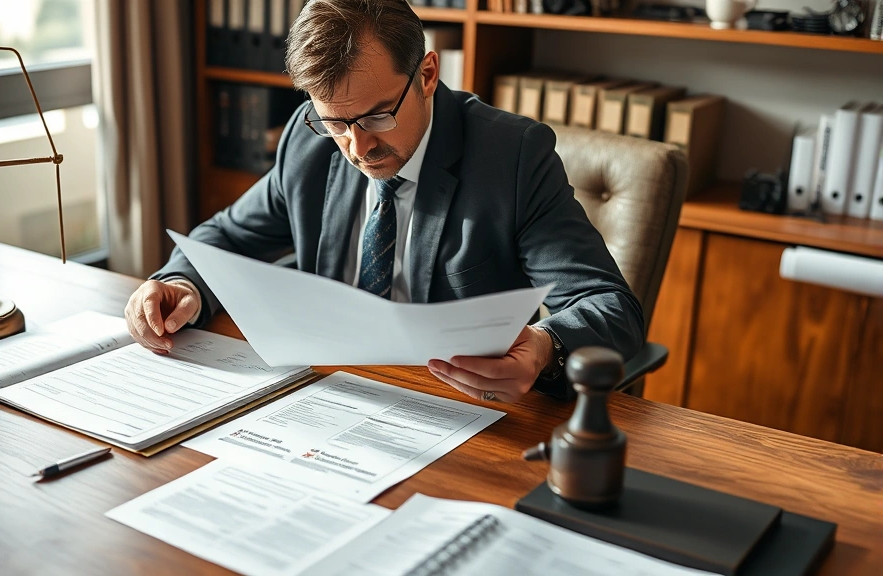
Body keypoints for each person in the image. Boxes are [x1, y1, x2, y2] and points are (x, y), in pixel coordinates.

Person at [125, 0, 644, 402]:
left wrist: (546, 347)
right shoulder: (308, 142)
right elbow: (228, 235)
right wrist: (180, 282)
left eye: (376, 116)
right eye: (335, 122)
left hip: (460, 405)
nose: (358, 147)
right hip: (329, 390)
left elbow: (610, 306)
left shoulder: (512, 157)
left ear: (426, 76)